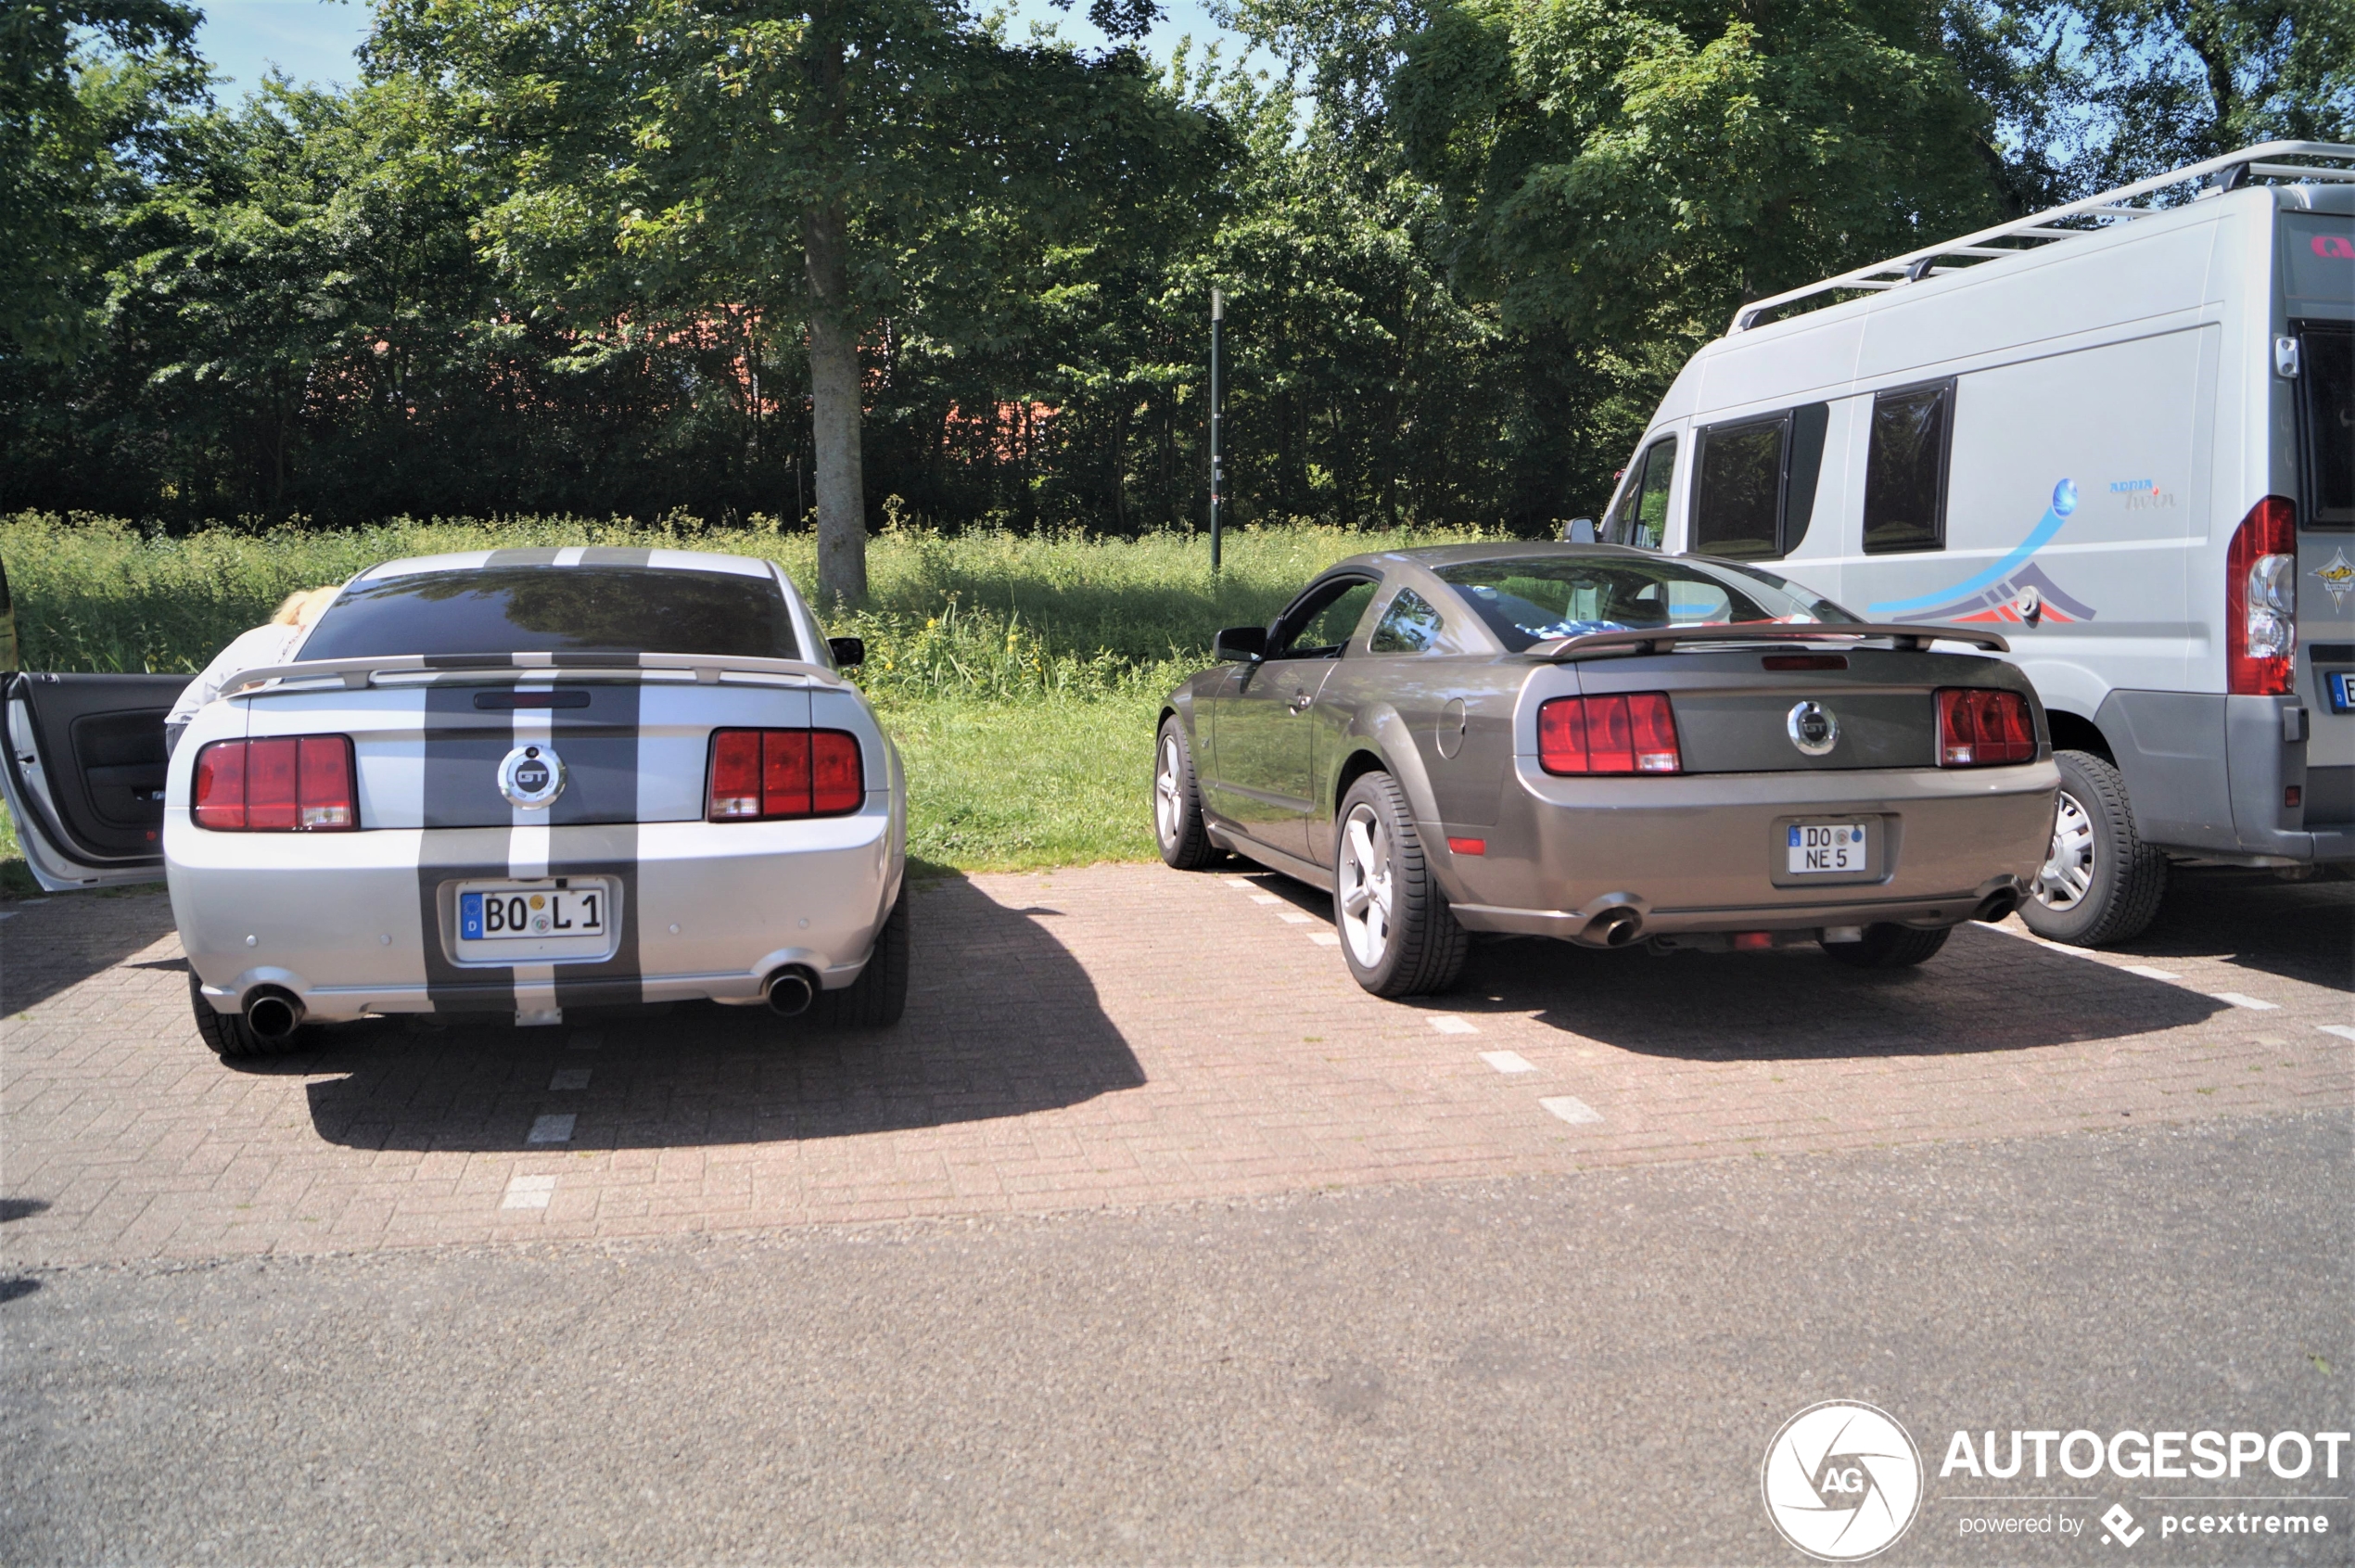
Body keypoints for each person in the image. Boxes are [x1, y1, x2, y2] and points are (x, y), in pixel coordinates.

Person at [165, 586, 340, 756]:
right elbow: (251, 696)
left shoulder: (308, 643)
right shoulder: (275, 638)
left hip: (220, 723)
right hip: (193, 726)